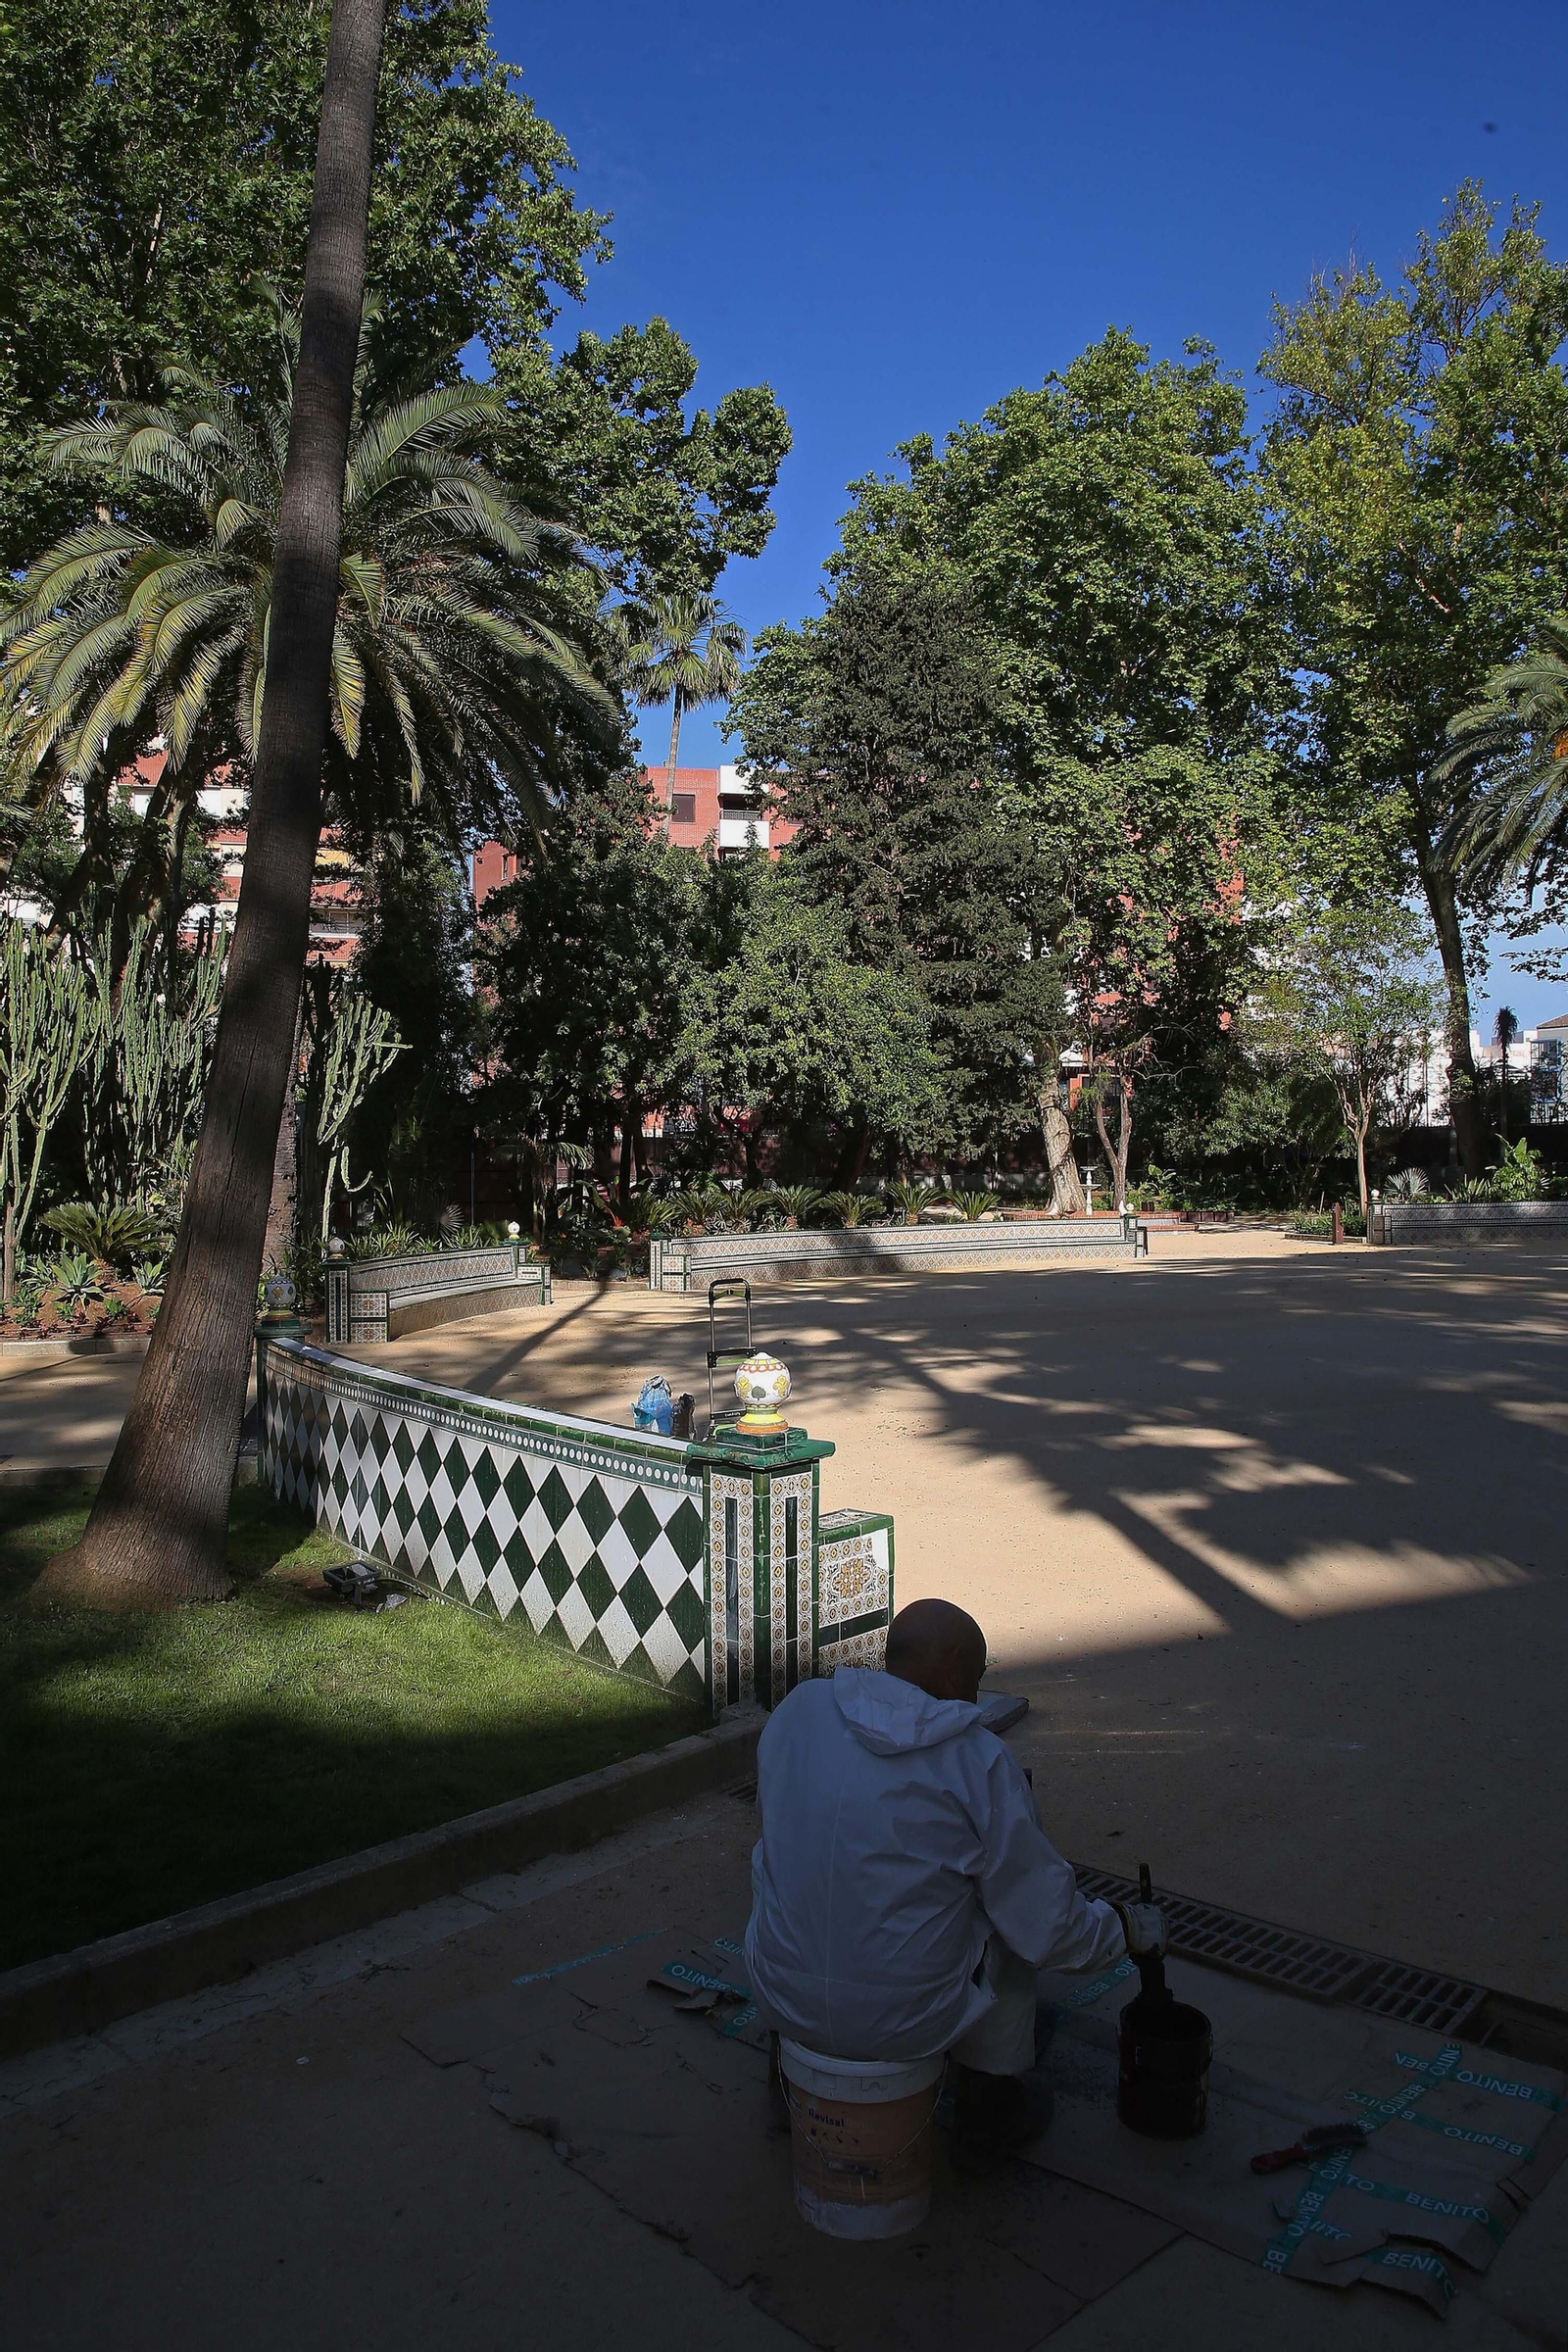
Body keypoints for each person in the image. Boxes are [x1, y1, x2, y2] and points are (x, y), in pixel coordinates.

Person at [745, 1597, 1164, 2161]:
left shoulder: (799, 1712)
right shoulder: (979, 1759)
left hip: (783, 1997)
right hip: (907, 2023)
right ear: (953, 1665)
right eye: (980, 1673)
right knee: (1008, 1921)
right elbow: (1048, 1927)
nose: (978, 1689)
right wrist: (1126, 1932)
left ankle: (785, 2083)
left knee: (779, 1856)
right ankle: (990, 2109)